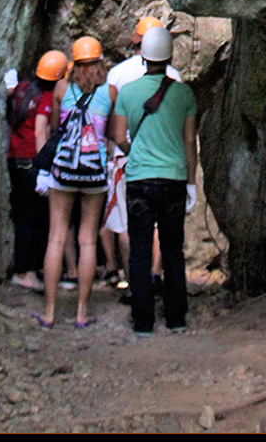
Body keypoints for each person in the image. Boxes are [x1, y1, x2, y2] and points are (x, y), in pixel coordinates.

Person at [111, 25, 198, 336]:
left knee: (139, 250)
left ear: (143, 57)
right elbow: (189, 142)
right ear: (170, 56)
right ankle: (176, 318)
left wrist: (135, 152)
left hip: (139, 180)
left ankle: (143, 321)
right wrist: (191, 182)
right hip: (173, 178)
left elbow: (119, 137)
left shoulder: (127, 93)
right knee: (173, 249)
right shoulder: (185, 93)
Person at [34, 37, 116, 329]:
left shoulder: (61, 88)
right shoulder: (110, 92)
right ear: (100, 61)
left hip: (64, 171)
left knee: (56, 236)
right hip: (94, 173)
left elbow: (56, 127)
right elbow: (113, 133)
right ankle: (82, 312)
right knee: (88, 239)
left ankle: (50, 312)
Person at [103, 17, 184, 290]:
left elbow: (113, 118)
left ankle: (132, 280)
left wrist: (125, 149)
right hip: (165, 159)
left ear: (137, 41)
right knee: (161, 224)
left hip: (127, 157)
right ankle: (155, 274)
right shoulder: (175, 77)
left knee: (128, 223)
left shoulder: (117, 74)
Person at [6, 50, 67, 291]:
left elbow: (9, 91)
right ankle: (25, 271)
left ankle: (31, 267)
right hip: (31, 160)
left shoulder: (23, 88)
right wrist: (44, 166)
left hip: (14, 158)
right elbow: (41, 130)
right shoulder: (44, 98)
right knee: (33, 218)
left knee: (23, 215)